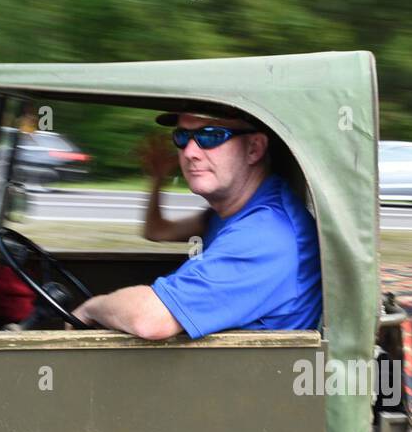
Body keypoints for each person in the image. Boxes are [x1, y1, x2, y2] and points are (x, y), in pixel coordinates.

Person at [72, 110, 321, 339]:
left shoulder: (266, 235)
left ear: (254, 149)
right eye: (182, 136)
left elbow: (149, 320)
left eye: (211, 136)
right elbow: (157, 231)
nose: (190, 151)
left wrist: (90, 308)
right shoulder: (235, 210)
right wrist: (158, 178)